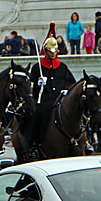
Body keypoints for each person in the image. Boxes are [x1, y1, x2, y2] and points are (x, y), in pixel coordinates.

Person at [24, 23, 75, 161]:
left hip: (61, 98)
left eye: (54, 51)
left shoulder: (62, 67)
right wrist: (38, 84)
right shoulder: (37, 67)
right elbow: (30, 86)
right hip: (45, 99)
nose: (52, 54)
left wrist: (67, 90)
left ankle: (83, 141)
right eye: (50, 51)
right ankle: (34, 143)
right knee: (39, 112)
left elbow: (72, 82)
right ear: (45, 51)